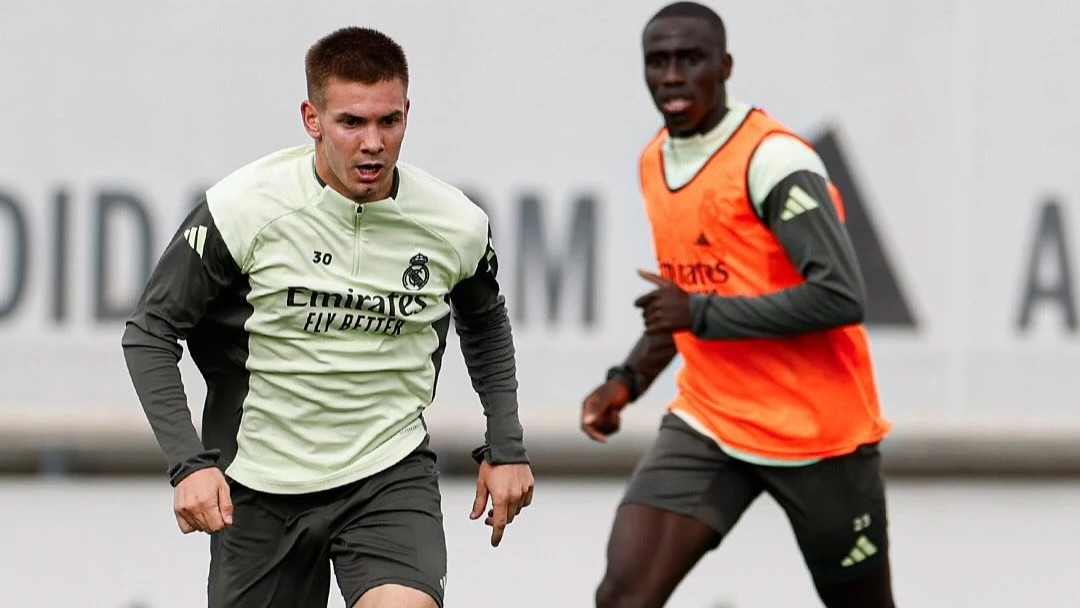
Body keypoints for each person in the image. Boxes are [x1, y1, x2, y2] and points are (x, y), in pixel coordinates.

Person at [121, 26, 535, 608]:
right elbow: (150, 331)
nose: (373, 143)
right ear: (311, 119)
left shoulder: (454, 222)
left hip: (387, 471)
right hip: (260, 482)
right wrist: (188, 464)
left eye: (389, 121)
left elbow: (485, 321)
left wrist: (506, 445)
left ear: (408, 114)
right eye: (351, 123)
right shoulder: (244, 207)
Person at [580, 3, 896, 607]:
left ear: (724, 66)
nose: (673, 75)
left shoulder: (773, 161)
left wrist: (699, 315)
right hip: (711, 421)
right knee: (622, 596)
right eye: (658, 61)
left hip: (816, 435)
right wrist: (626, 380)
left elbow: (841, 296)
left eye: (690, 59)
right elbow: (687, 293)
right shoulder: (655, 160)